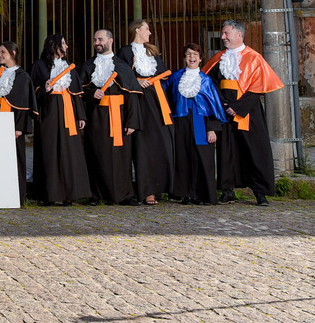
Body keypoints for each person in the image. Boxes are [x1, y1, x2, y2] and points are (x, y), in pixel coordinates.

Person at [205, 19, 284, 206]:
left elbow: (258, 88)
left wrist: (238, 107)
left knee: (255, 151)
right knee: (227, 152)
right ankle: (227, 190)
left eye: (226, 33)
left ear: (239, 34)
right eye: (223, 33)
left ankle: (260, 193)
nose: (223, 37)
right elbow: (210, 84)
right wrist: (223, 104)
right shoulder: (218, 58)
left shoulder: (255, 58)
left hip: (248, 112)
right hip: (224, 111)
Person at [81, 28, 142, 205]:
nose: (97, 43)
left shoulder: (122, 66)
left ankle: (123, 195)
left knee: (120, 156)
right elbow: (80, 91)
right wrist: (91, 94)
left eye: (100, 39)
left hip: (119, 116)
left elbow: (132, 95)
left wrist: (132, 121)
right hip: (96, 116)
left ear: (110, 41)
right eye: (95, 40)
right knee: (96, 154)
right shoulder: (88, 65)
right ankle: (96, 195)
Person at [118, 20, 175, 205]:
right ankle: (147, 191)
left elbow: (163, 73)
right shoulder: (125, 52)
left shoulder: (152, 51)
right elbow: (120, 75)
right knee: (143, 146)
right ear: (137, 30)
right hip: (139, 101)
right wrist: (136, 80)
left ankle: (163, 187)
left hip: (157, 99)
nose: (149, 33)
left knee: (161, 143)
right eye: (147, 29)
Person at [29, 35, 90, 206]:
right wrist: (45, 89)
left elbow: (76, 93)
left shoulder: (69, 66)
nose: (66, 46)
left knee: (69, 152)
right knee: (48, 151)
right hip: (48, 112)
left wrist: (81, 115)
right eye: (63, 43)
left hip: (68, 111)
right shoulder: (39, 66)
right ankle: (49, 194)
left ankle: (69, 195)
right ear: (53, 46)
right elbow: (33, 92)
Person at [166, 43, 226, 205]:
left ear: (200, 59)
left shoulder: (206, 81)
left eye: (195, 55)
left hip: (201, 122)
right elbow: (167, 100)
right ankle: (186, 194)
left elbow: (215, 107)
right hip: (181, 122)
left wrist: (212, 129)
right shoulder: (175, 77)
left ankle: (201, 194)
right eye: (188, 54)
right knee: (183, 157)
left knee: (202, 158)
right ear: (184, 58)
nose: (192, 57)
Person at [0, 41, 37, 205]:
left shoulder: (23, 76)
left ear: (13, 53)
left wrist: (19, 128)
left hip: (13, 124)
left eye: (3, 52)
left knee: (15, 158)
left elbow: (24, 105)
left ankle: (17, 195)